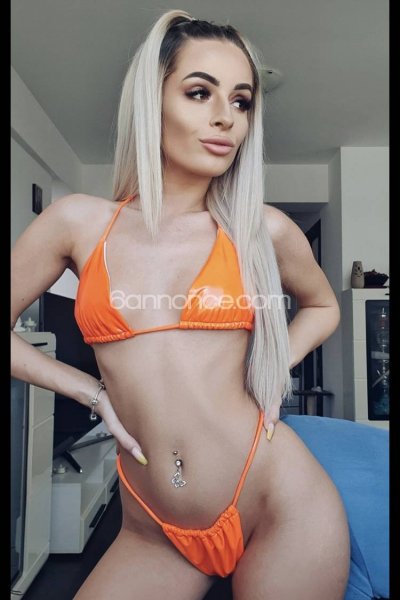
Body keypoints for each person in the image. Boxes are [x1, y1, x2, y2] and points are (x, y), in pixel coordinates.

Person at [11, 9, 350, 599]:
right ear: (153, 101)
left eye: (241, 101)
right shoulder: (77, 223)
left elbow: (323, 307)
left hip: (279, 503)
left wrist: (271, 369)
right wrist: (90, 391)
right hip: (153, 529)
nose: (226, 117)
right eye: (199, 92)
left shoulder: (261, 230)